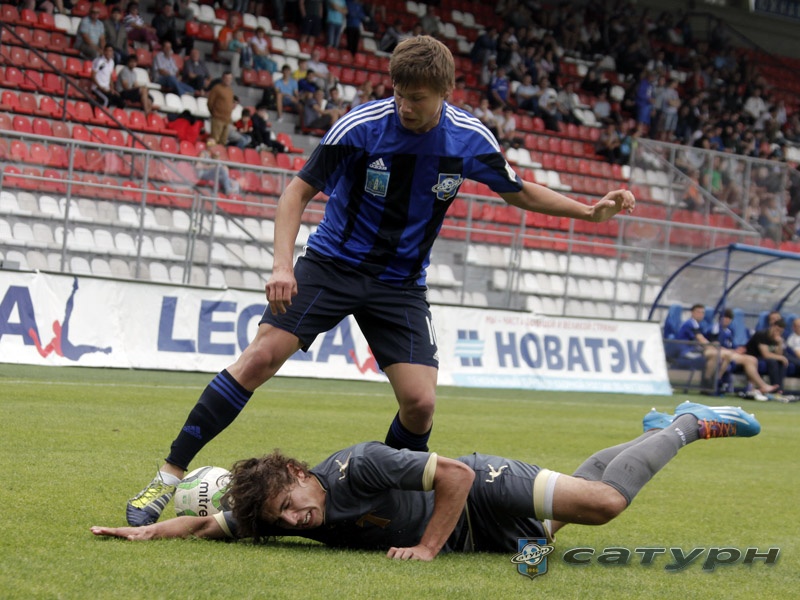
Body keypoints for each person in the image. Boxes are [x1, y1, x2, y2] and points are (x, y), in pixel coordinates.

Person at [124, 36, 634, 528]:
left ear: (445, 93)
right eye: (399, 93)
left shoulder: (469, 139)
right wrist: (282, 265)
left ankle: (387, 500)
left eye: (418, 98)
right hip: (331, 265)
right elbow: (295, 194)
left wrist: (589, 212)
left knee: (421, 404)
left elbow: (518, 191)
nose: (405, 106)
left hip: (400, 285)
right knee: (259, 358)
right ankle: (166, 478)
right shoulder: (361, 127)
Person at [98, 402, 761, 559]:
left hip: (483, 487)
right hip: (482, 534)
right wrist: (151, 532)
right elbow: (208, 523)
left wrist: (426, 548)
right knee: (566, 515)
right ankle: (653, 430)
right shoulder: (280, 511)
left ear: (299, 474)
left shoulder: (359, 464)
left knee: (606, 503)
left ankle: (686, 425)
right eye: (281, 520)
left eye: (290, 507)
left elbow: (456, 474)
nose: (294, 522)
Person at [674, 303, 732, 394]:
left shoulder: (699, 325)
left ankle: (716, 380)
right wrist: (714, 348)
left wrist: (714, 346)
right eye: (698, 312)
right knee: (715, 354)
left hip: (695, 350)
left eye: (702, 312)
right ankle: (707, 384)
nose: (700, 314)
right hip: (685, 352)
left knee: (725, 355)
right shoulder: (691, 323)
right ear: (692, 313)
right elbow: (701, 340)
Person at [745, 317, 788, 392]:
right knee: (773, 361)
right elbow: (765, 354)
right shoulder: (762, 334)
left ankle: (779, 389)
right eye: (777, 330)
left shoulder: (778, 338)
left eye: (780, 331)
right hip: (753, 356)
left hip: (764, 358)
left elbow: (779, 354)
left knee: (781, 362)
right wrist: (782, 358)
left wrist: (780, 343)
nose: (778, 333)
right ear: (772, 326)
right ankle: (775, 388)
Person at [207, 72, 236, 146]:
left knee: (223, 141)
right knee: (214, 140)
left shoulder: (230, 90)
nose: (228, 80)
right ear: (222, 78)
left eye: (230, 78)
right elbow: (210, 102)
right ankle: (210, 152)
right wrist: (214, 113)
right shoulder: (217, 88)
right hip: (217, 118)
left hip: (227, 119)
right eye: (226, 78)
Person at [91, 44, 124, 108]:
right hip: (97, 88)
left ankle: (115, 114)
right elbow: (92, 76)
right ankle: (101, 113)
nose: (108, 53)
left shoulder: (112, 62)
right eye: (107, 50)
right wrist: (100, 87)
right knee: (107, 100)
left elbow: (110, 76)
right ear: (104, 51)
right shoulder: (99, 61)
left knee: (121, 101)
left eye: (110, 51)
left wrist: (112, 89)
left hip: (107, 89)